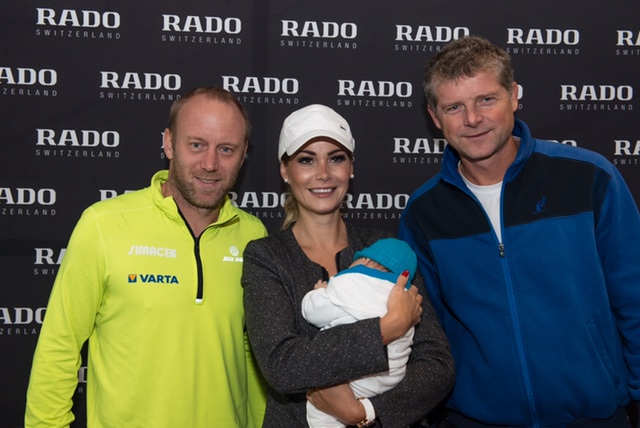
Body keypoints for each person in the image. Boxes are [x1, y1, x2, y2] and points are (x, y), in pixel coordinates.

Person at [398, 35, 640, 427]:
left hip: (594, 415)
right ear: (435, 116)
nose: (472, 119)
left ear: (513, 96)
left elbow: (634, 297)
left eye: (486, 99)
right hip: (474, 420)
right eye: (454, 107)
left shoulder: (587, 177)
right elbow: (427, 333)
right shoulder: (424, 212)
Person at [24, 86, 268, 428]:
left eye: (226, 149)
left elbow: (252, 354)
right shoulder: (104, 225)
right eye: (196, 145)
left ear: (243, 156)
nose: (210, 164)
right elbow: (59, 349)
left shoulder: (254, 236)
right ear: (169, 143)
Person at [242, 103, 455, 428]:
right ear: (285, 170)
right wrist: (386, 329)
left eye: (336, 158)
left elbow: (437, 364)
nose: (323, 173)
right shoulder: (267, 257)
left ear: (351, 167)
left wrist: (365, 412)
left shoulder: (387, 248)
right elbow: (282, 365)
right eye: (306, 160)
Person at [301, 237, 419, 428]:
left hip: (356, 373)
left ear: (365, 260)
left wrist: (317, 293)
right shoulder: (406, 298)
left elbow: (314, 313)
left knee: (320, 411)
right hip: (392, 376)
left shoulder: (349, 282)